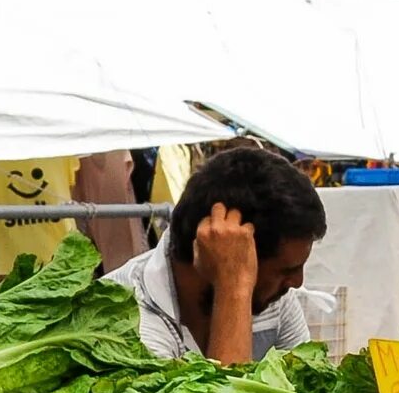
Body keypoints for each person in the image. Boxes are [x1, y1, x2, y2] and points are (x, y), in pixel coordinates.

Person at [110, 147, 328, 364]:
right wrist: (234, 286)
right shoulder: (124, 318)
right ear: (223, 253)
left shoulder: (271, 298)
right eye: (286, 270)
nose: (298, 283)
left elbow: (304, 390)